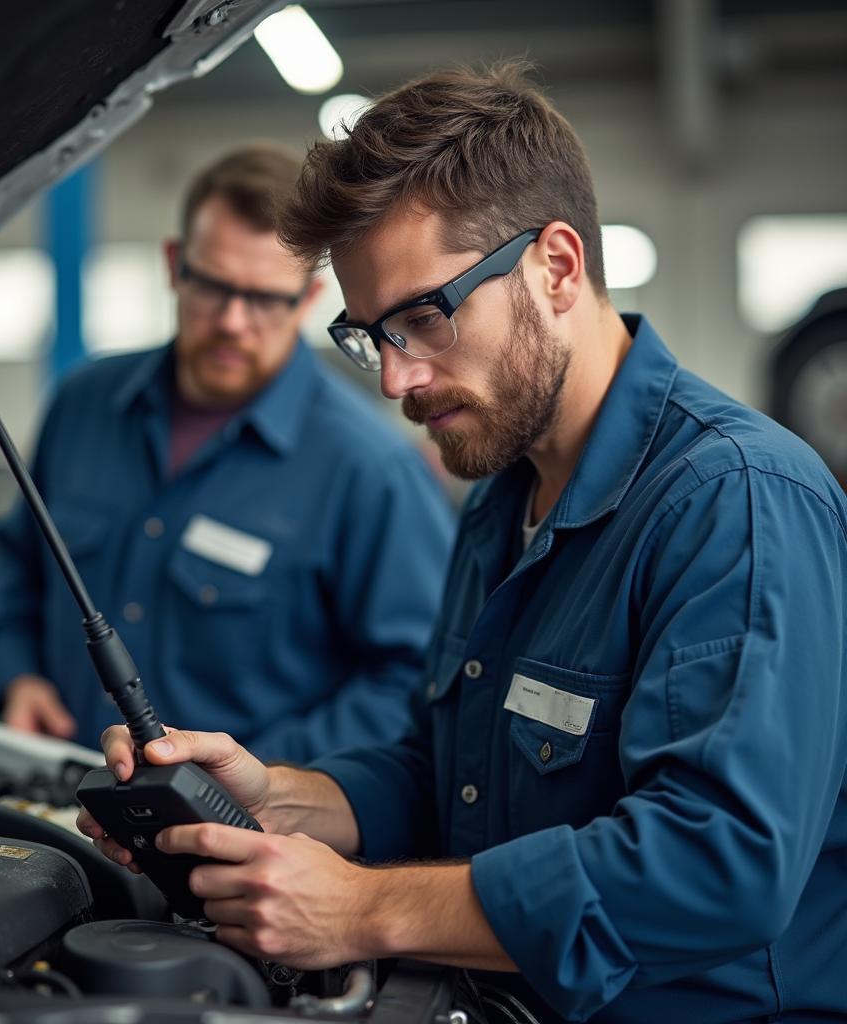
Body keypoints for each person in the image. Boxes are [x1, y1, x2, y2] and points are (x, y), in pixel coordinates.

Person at [78, 65, 847, 1022]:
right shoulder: (501, 497)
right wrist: (279, 795)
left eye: (423, 319)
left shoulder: (733, 501)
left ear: (557, 267)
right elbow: (457, 779)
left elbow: (718, 862)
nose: (397, 381)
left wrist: (363, 908)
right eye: (371, 336)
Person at [0, 144, 455, 761]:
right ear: (175, 265)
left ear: (306, 303)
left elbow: (412, 682)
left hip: (243, 837)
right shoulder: (83, 407)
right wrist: (18, 676)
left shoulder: (368, 470)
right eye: (213, 286)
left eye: (263, 299)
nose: (233, 321)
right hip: (61, 801)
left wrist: (263, 778)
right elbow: (21, 564)